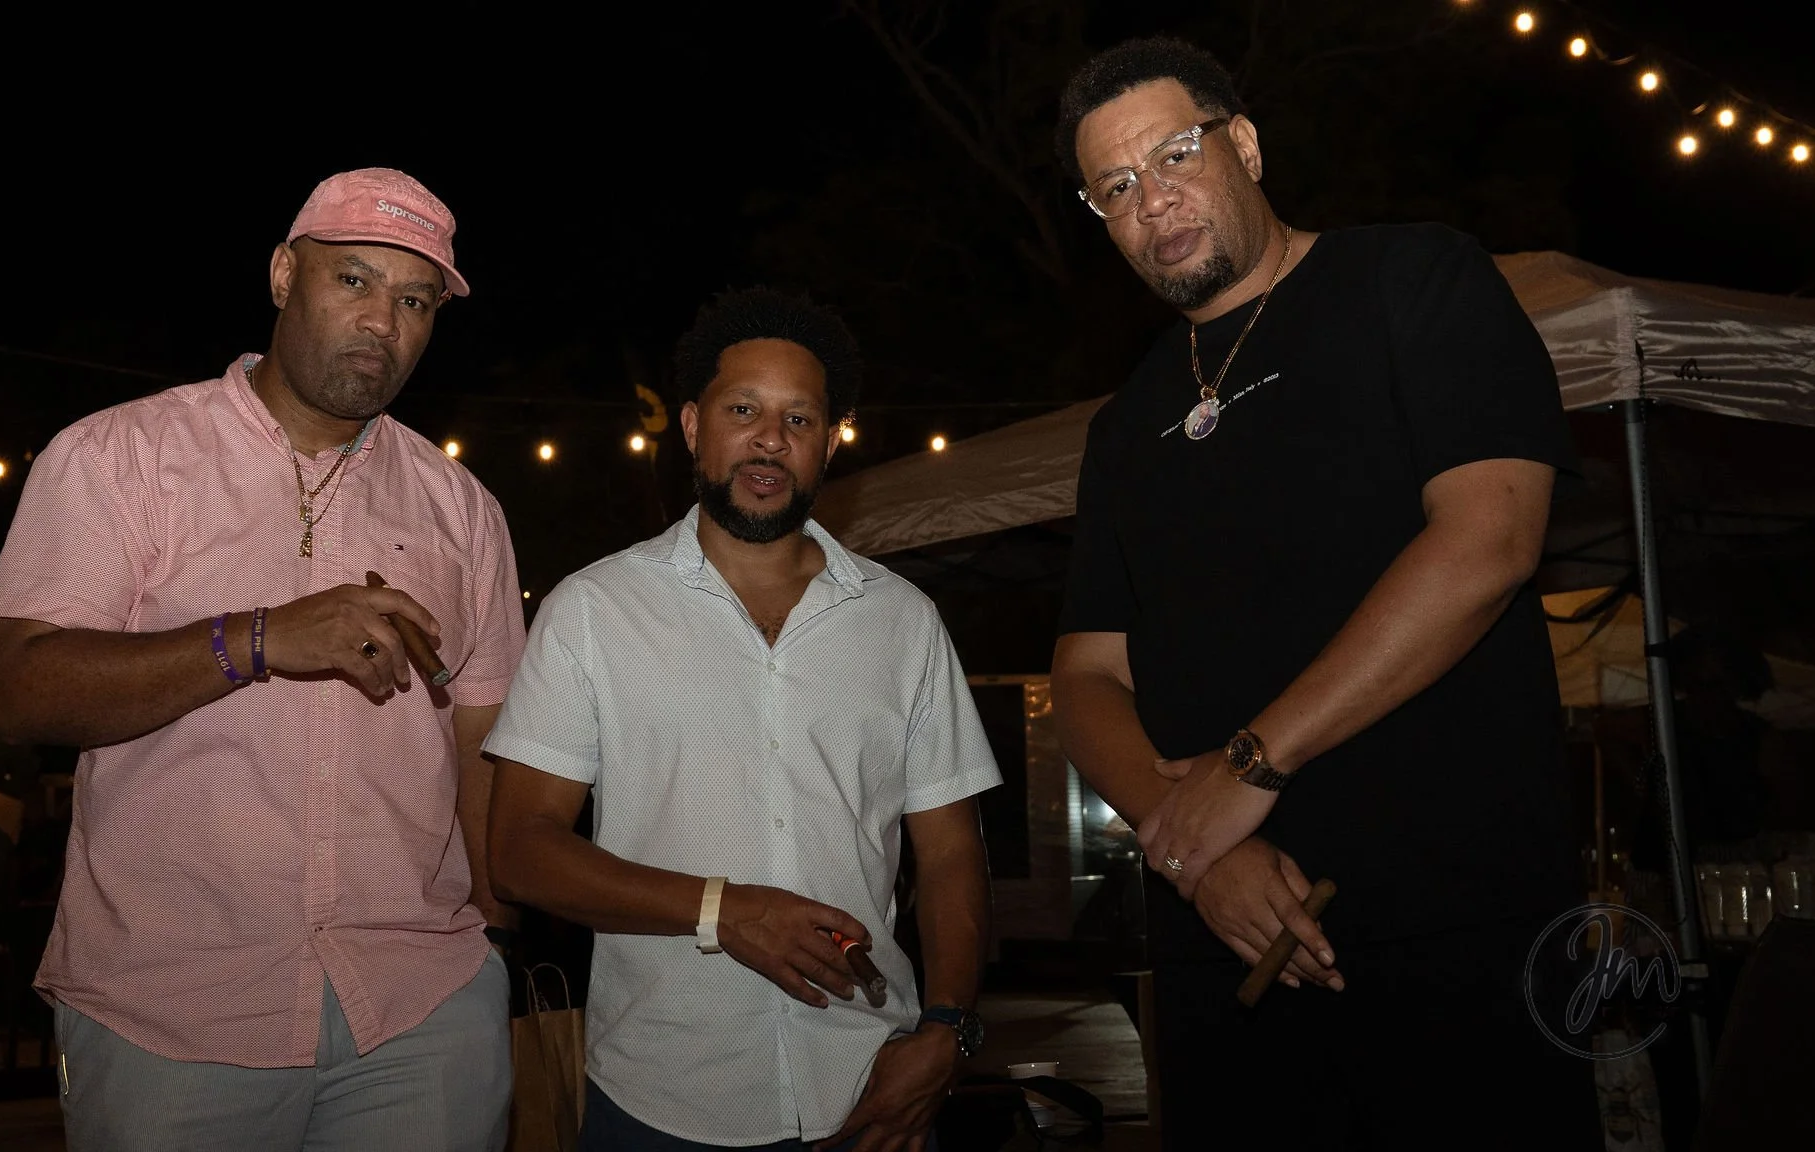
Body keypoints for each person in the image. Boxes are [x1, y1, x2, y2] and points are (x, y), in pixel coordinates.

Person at [1048, 36, 1600, 1148]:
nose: (1150, 201)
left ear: (1243, 145)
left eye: (1173, 155)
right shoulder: (1121, 427)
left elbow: (1488, 541)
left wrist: (1251, 765)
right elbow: (1085, 672)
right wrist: (1184, 839)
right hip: (1221, 944)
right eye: (1115, 186)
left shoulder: (1413, 279)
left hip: (1455, 932)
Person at [0, 168, 524, 1152]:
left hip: (419, 1007)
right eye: (352, 281)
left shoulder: (462, 508)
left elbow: (482, 737)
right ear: (282, 274)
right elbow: (16, 690)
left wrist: (494, 924)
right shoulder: (118, 460)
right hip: (173, 1012)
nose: (381, 322)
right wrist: (256, 641)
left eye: (413, 301)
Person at [485, 287, 1001, 1151]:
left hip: (872, 1089)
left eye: (801, 419)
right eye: (743, 409)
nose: (770, 437)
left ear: (832, 442)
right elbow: (520, 851)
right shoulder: (592, 610)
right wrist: (723, 909)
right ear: (692, 427)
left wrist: (948, 1031)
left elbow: (951, 852)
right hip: (662, 1096)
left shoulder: (901, 618)